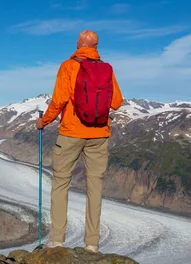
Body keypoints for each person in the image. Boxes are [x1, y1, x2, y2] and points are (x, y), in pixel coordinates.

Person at [35, 30, 123, 253]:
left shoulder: (69, 65)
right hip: (99, 134)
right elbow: (117, 103)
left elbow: (58, 100)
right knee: (95, 186)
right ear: (96, 46)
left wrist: (43, 122)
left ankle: (57, 241)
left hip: (71, 133)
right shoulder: (106, 69)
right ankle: (92, 244)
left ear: (79, 43)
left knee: (61, 184)